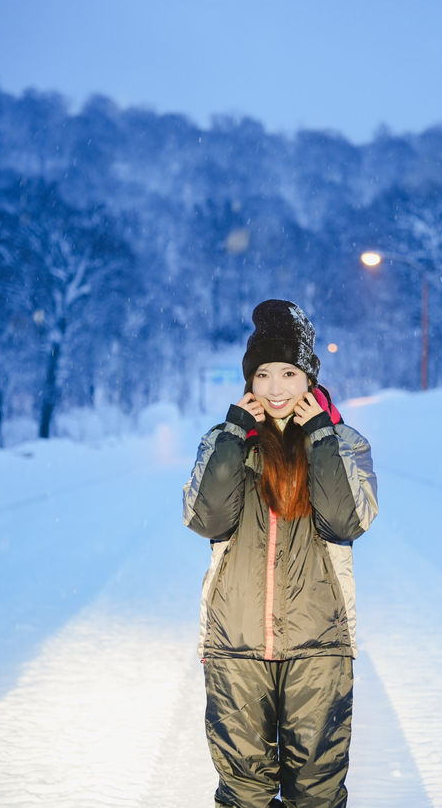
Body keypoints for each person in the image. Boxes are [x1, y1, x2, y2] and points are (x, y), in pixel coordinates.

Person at [183, 299, 378, 808]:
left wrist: (319, 440)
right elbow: (206, 519)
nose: (274, 388)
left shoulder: (345, 443)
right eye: (263, 374)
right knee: (243, 792)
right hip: (234, 643)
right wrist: (230, 436)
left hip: (320, 646)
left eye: (288, 373)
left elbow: (346, 520)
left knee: (316, 792)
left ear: (308, 377)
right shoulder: (225, 440)